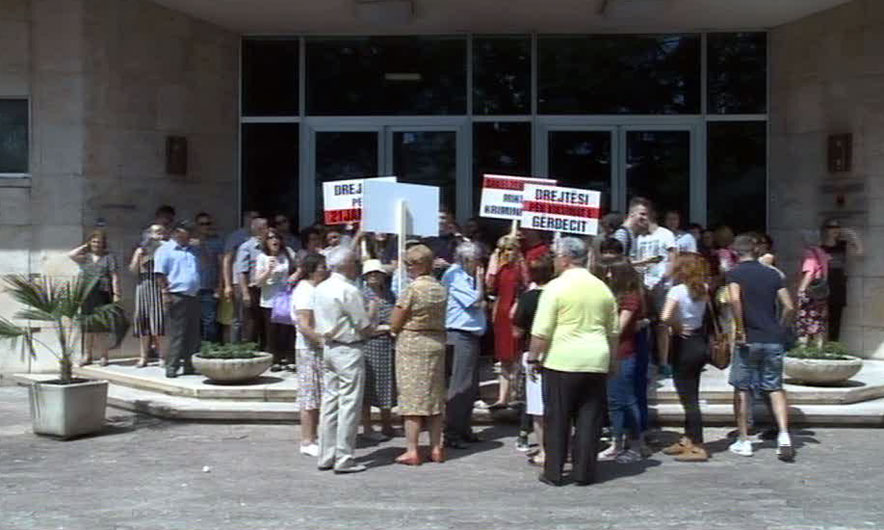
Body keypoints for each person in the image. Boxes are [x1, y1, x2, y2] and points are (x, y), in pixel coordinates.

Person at [527, 237, 618, 487]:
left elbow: (541, 330)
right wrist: (613, 361)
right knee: (589, 418)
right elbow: (613, 331)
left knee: (557, 418)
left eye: (557, 256)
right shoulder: (602, 288)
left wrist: (533, 358)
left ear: (566, 259)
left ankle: (554, 471)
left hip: (562, 359)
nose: (555, 261)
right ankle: (584, 472)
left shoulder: (555, 288)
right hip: (596, 358)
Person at [727, 234, 796, 461]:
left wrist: (739, 329)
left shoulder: (735, 273)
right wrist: (780, 328)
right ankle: (784, 435)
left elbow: (735, 299)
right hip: (772, 336)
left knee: (742, 387)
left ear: (736, 252)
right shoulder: (772, 274)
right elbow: (789, 306)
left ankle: (744, 439)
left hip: (749, 337)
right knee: (774, 387)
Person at [313, 246, 375, 474]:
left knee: (330, 402)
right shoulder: (349, 290)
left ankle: (326, 455)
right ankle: (344, 457)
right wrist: (374, 316)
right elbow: (363, 325)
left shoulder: (321, 287)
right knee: (349, 404)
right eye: (355, 262)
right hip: (348, 348)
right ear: (347, 265)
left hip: (329, 346)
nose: (357, 266)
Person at [390, 244, 448, 466]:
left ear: (421, 265)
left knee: (412, 398)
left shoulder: (412, 289)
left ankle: (412, 450)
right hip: (436, 342)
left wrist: (393, 329)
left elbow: (396, 320)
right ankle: (436, 447)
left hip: (412, 344)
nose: (408, 268)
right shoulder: (440, 288)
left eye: (410, 264)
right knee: (435, 398)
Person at [659, 253, 711, 462]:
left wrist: (677, 325)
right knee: (691, 392)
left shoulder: (677, 291)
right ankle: (688, 438)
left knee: (688, 398)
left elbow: (665, 317)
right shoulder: (703, 288)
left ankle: (697, 444)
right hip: (698, 341)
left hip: (683, 343)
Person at [595, 257, 647, 464]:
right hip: (612, 353)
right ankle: (618, 443)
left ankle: (634, 444)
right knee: (614, 401)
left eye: (612, 272)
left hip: (623, 354)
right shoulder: (614, 296)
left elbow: (617, 327)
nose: (608, 276)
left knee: (625, 400)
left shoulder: (630, 298)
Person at [441, 242, 486, 449]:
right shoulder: (455, 275)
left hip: (471, 334)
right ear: (467, 260)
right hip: (459, 333)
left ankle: (464, 427)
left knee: (470, 385)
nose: (479, 264)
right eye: (477, 259)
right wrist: (481, 280)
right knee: (460, 384)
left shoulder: (466, 276)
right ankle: (452, 432)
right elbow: (475, 301)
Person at [512, 254, 554, 465]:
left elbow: (517, 331)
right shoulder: (560, 293)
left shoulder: (528, 298)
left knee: (538, 408)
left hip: (534, 353)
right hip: (560, 350)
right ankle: (564, 448)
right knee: (560, 405)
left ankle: (545, 451)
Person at [291, 253, 328, 457]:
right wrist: (322, 342)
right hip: (308, 349)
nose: (326, 270)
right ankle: (307, 440)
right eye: (322, 266)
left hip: (318, 349)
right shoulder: (304, 290)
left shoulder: (318, 289)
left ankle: (318, 435)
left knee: (320, 394)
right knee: (309, 395)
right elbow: (304, 325)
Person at [154, 222, 201, 379]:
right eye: (185, 234)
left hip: (193, 294)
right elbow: (160, 273)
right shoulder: (165, 250)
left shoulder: (192, 250)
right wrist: (165, 293)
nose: (188, 237)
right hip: (176, 294)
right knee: (177, 333)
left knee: (193, 332)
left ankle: (189, 365)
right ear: (176, 234)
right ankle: (172, 366)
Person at [68, 230, 121, 367]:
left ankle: (104, 355)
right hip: (87, 293)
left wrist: (116, 294)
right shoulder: (86, 257)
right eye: (94, 241)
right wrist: (85, 246)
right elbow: (71, 255)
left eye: (99, 242)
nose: (97, 244)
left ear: (104, 244)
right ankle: (87, 355)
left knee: (102, 327)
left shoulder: (109, 257)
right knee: (87, 327)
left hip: (103, 293)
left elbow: (114, 275)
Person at [486, 233, 527, 409]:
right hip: (501, 314)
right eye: (503, 250)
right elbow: (490, 287)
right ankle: (502, 397)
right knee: (504, 357)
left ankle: (515, 395)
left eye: (510, 249)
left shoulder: (521, 268)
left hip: (515, 312)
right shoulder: (500, 268)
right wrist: (493, 264)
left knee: (516, 356)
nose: (507, 253)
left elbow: (526, 287)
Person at [359, 259, 397, 440]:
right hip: (369, 345)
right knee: (368, 387)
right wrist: (385, 328)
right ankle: (367, 427)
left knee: (387, 386)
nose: (374, 276)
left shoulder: (389, 294)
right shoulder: (361, 295)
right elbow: (363, 325)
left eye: (377, 273)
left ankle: (387, 425)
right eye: (370, 273)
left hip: (388, 345)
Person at [254, 227, 296, 371]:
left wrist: (293, 277)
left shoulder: (288, 253)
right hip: (269, 300)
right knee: (272, 332)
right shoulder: (262, 257)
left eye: (276, 237)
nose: (274, 240)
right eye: (270, 238)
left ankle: (289, 358)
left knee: (287, 330)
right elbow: (258, 282)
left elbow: (298, 269)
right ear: (266, 242)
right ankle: (275, 359)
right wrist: (269, 270)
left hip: (286, 298)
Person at [819, 218, 863, 342]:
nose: (835, 230)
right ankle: (820, 345)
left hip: (839, 284)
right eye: (831, 227)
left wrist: (852, 235)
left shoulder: (843, 244)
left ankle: (833, 345)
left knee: (836, 317)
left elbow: (860, 252)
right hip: (824, 284)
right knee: (821, 317)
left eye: (837, 227)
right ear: (826, 230)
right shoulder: (821, 247)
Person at [130, 224, 167, 367]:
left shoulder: (166, 249)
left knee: (158, 322)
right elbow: (133, 270)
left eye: (160, 232)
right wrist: (138, 257)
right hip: (143, 286)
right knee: (143, 321)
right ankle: (143, 356)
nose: (157, 235)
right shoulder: (142, 249)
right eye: (155, 232)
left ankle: (162, 356)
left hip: (159, 286)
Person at [222, 210, 259, 342]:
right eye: (251, 217)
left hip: (255, 283)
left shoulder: (260, 238)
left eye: (256, 217)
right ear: (245, 218)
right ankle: (235, 347)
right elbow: (227, 260)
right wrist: (227, 285)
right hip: (238, 282)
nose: (254, 220)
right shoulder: (236, 236)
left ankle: (250, 345)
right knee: (238, 317)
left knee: (251, 318)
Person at [235, 217, 270, 349]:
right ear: (259, 229)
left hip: (267, 289)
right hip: (252, 289)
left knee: (265, 322)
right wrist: (245, 293)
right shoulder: (246, 247)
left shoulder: (268, 246)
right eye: (265, 227)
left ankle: (265, 349)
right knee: (251, 322)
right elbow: (242, 271)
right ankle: (250, 349)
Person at [193, 212, 224, 343]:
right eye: (202, 224)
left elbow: (222, 265)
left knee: (209, 321)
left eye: (208, 224)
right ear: (196, 225)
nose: (205, 227)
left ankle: (209, 348)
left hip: (210, 287)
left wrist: (220, 286)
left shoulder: (217, 242)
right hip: (191, 289)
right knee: (192, 321)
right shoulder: (190, 243)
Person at [796, 231, 829, 347]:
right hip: (820, 290)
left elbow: (810, 272)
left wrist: (801, 290)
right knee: (818, 319)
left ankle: (803, 346)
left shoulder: (809, 253)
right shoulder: (821, 252)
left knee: (804, 319)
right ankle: (818, 346)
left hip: (810, 290)